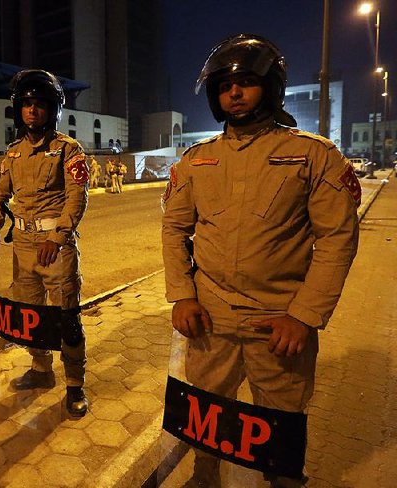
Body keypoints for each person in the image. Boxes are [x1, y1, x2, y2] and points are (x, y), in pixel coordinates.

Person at [161, 34, 360, 487]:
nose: (234, 93)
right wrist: (182, 295)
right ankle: (204, 476)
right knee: (207, 417)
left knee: (280, 428)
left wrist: (305, 317)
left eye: (247, 82)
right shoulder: (196, 160)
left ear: (269, 86)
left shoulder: (314, 156)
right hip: (209, 321)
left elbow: (337, 241)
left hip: (279, 325)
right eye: (225, 86)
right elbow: (174, 229)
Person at [0, 69, 90, 417]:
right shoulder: (12, 153)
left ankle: (75, 384)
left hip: (55, 249)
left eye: (40, 104)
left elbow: (77, 197)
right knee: (31, 314)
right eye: (26, 104)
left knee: (67, 318)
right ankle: (42, 370)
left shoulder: (67, 150)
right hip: (23, 245)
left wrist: (58, 237)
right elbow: (0, 194)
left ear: (52, 109)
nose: (32, 110)